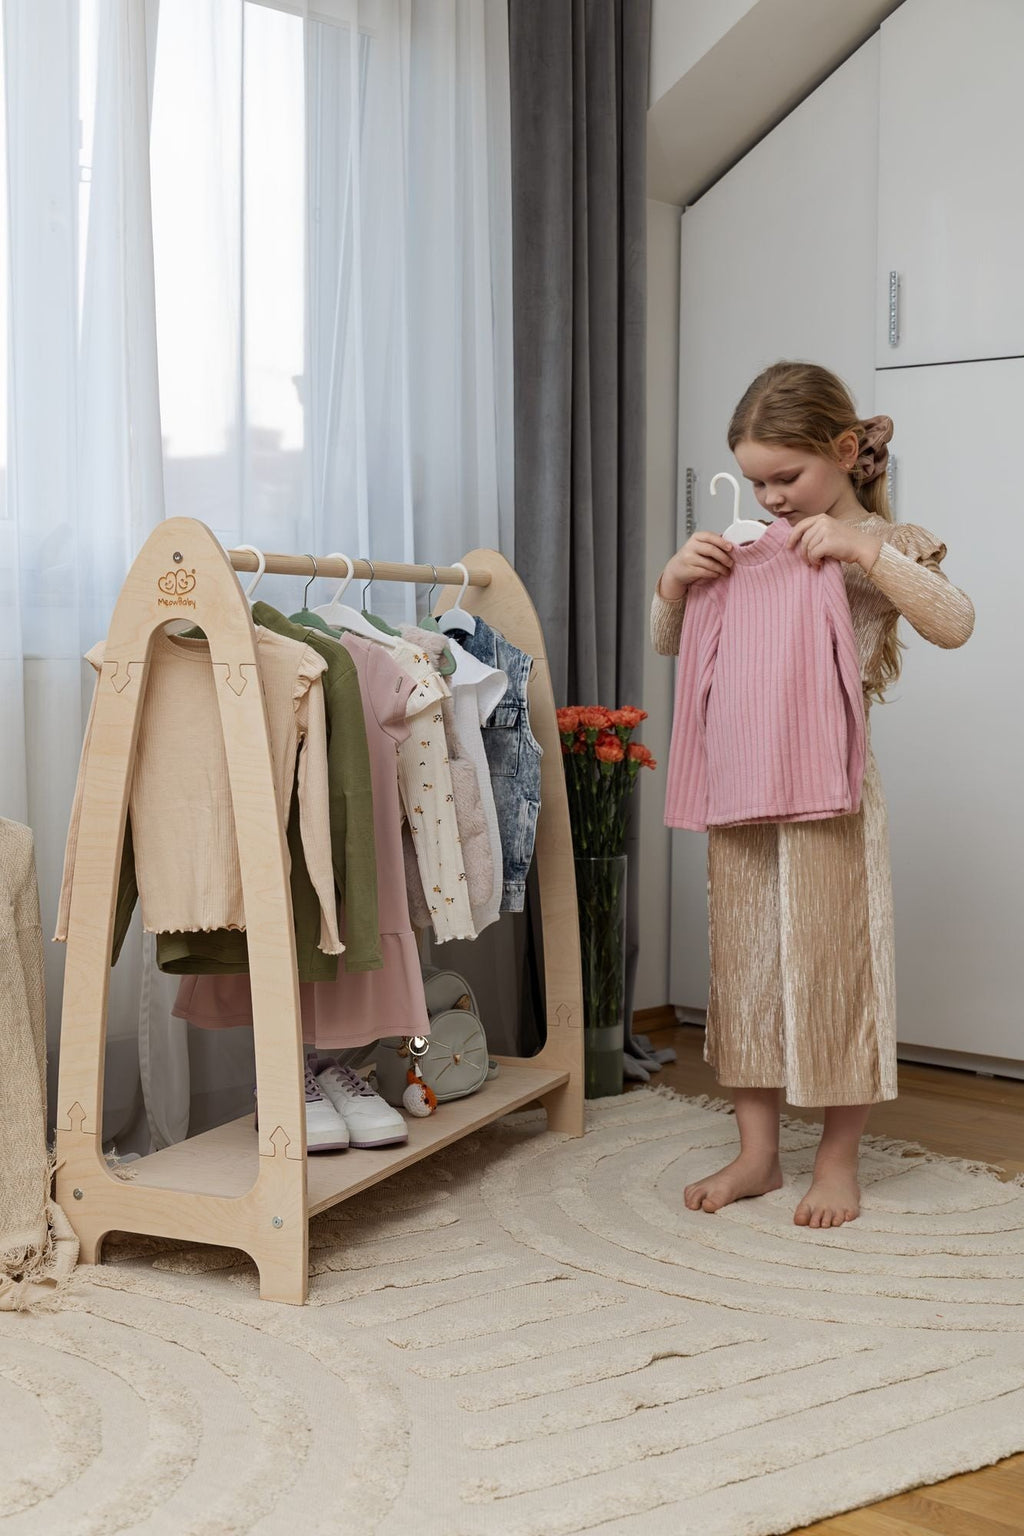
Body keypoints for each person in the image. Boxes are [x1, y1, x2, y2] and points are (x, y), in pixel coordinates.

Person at [651, 361, 975, 1229]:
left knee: (836, 966)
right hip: (740, 775)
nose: (770, 499)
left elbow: (955, 620)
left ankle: (837, 1159)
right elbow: (669, 642)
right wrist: (676, 582)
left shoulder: (886, 545)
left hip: (833, 784)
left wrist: (863, 549)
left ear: (843, 452)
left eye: (785, 478)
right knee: (747, 965)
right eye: (755, 481)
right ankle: (757, 1154)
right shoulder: (745, 550)